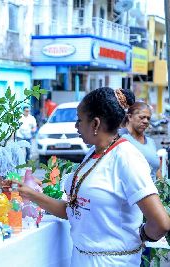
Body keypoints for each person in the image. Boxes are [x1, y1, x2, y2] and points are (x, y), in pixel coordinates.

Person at [15, 87, 170, 266]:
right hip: (82, 258)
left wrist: (141, 235)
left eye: (79, 120)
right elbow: (73, 210)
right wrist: (30, 193)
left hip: (113, 261)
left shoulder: (127, 158)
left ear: (95, 124)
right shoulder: (93, 154)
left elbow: (161, 223)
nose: (75, 126)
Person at [120, 102, 160, 181]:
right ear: (130, 117)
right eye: (142, 117)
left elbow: (156, 170)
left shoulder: (150, 142)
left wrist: (163, 189)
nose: (146, 121)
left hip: (154, 191)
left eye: (148, 118)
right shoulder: (119, 137)